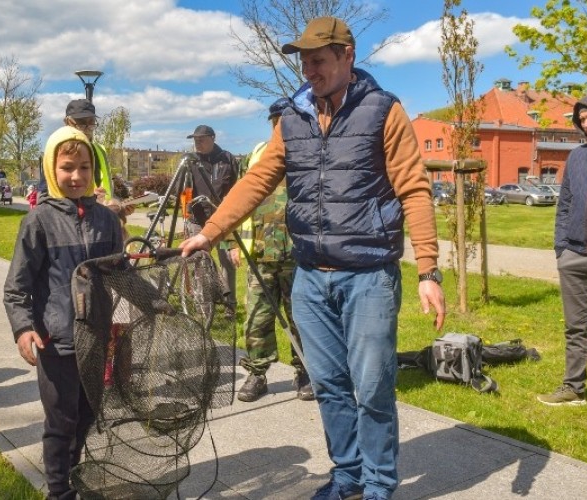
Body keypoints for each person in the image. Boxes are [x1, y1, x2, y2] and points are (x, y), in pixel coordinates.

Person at [180, 17, 445, 500]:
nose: (309, 69)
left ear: (348, 54)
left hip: (368, 277)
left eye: (318, 59)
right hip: (310, 279)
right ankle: (347, 476)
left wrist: (428, 270)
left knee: (373, 389)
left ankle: (381, 485)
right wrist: (212, 232)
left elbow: (414, 188)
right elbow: (258, 180)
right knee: (330, 386)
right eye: (303, 60)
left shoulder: (384, 111)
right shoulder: (292, 117)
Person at [3, 126, 123, 500]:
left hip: (98, 338)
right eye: (67, 167)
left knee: (87, 414)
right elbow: (16, 287)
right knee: (61, 421)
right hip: (57, 342)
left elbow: (122, 272)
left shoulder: (106, 220)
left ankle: (73, 472)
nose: (76, 176)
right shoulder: (38, 221)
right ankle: (58, 491)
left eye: (84, 168)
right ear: (51, 170)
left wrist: (156, 302)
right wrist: (24, 328)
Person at [540, 90, 587, 424]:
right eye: (581, 120)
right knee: (575, 329)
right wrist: (562, 249)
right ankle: (573, 388)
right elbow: (565, 205)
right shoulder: (577, 156)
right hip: (574, 256)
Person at [229, 98, 313, 403]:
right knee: (257, 319)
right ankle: (257, 373)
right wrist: (231, 242)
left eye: (286, 119)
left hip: (298, 255)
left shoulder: (308, 152)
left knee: (301, 317)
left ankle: (305, 372)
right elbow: (240, 198)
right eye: (276, 120)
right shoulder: (257, 155)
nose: (281, 125)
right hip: (260, 254)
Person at [185, 124, 240, 319]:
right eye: (195, 140)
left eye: (201, 139)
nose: (197, 143)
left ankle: (229, 306)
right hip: (197, 222)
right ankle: (204, 306)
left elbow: (237, 188)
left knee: (227, 262)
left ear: (213, 138)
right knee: (200, 264)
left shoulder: (228, 159)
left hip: (222, 221)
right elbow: (181, 192)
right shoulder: (191, 162)